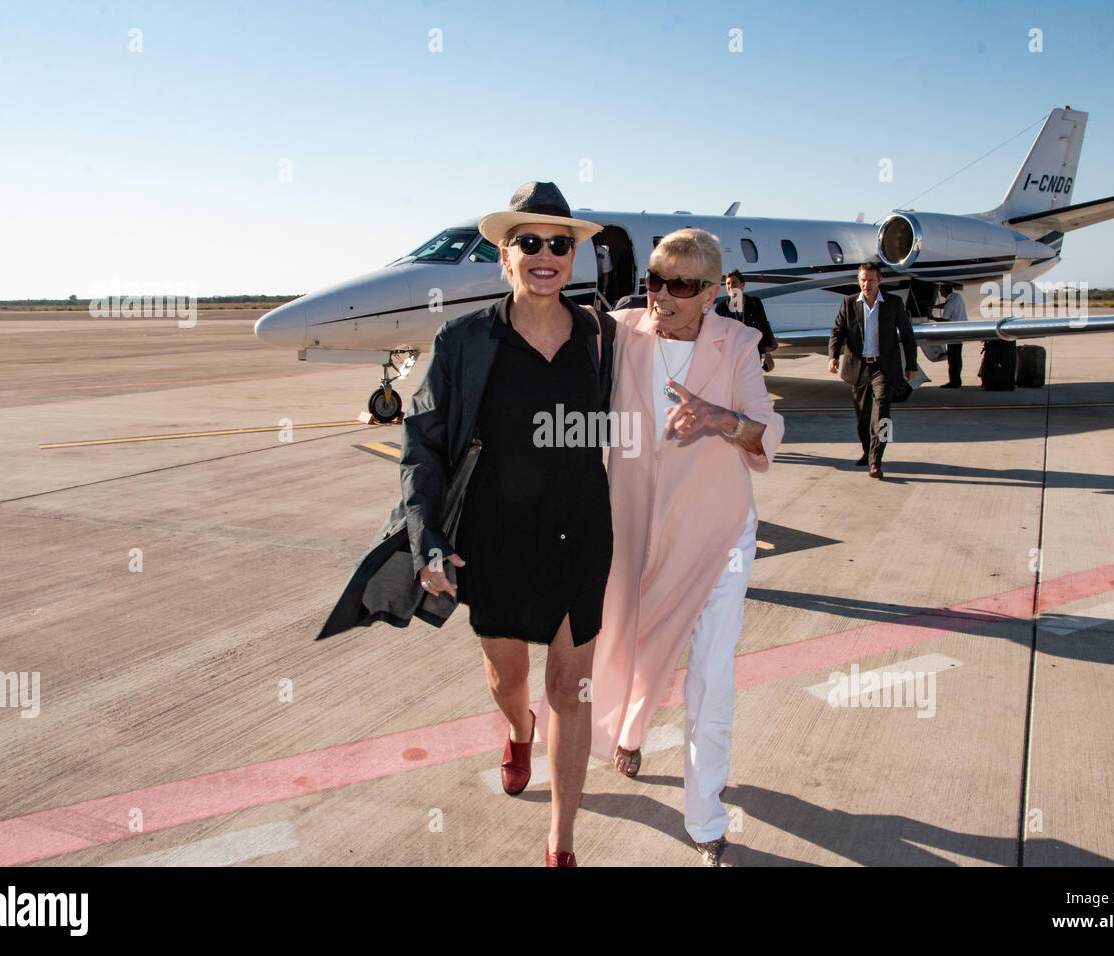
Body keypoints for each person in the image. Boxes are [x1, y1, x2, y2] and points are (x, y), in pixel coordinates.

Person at [328, 182, 613, 867]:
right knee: (508, 680)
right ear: (504, 253)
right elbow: (422, 444)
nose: (545, 255)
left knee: (570, 690)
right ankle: (517, 731)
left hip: (582, 530)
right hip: (497, 535)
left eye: (559, 243)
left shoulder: (603, 335)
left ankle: (561, 842)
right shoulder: (463, 341)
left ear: (573, 255)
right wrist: (427, 535)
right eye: (529, 243)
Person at [588, 228, 784, 866]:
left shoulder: (739, 343)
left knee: (710, 674)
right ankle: (632, 727)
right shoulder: (622, 331)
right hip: (637, 527)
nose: (661, 295)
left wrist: (721, 419)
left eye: (678, 285)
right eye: (653, 280)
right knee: (637, 641)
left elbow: (769, 427)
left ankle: (705, 820)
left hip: (719, 533)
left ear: (709, 293)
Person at [827, 261, 917, 479]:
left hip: (883, 368)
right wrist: (833, 356)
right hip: (858, 367)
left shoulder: (893, 303)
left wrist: (911, 365)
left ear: (880, 281)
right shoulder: (849, 303)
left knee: (883, 413)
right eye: (863, 280)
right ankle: (867, 451)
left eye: (870, 280)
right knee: (863, 417)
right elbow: (837, 331)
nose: (866, 284)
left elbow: (907, 334)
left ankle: (877, 459)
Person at [715, 269, 777, 371]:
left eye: (734, 282)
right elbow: (717, 335)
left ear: (742, 284)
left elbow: (764, 327)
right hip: (731, 358)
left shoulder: (755, 303)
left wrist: (768, 354)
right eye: (727, 283)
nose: (730, 286)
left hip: (752, 355)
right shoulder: (721, 307)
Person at [936, 283, 967, 388]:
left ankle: (954, 381)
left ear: (944, 291)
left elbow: (945, 319)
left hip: (953, 333)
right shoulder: (956, 297)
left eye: (940, 291)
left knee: (953, 359)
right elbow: (946, 304)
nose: (940, 293)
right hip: (962, 331)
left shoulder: (949, 304)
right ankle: (957, 380)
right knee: (957, 356)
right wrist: (934, 307)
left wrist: (932, 318)